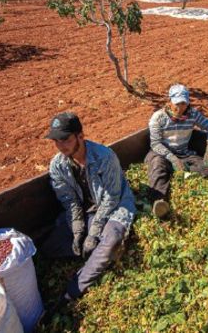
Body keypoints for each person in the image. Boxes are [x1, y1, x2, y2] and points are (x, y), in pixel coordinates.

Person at [39, 112, 136, 307]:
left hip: (114, 209)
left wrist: (93, 232)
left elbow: (111, 198)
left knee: (111, 239)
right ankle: (99, 255)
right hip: (87, 213)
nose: (61, 145)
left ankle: (73, 290)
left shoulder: (104, 157)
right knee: (48, 248)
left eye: (65, 139)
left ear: (80, 136)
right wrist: (78, 229)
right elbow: (69, 200)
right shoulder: (58, 165)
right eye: (56, 141)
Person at [145, 84, 208, 219]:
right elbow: (155, 143)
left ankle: (180, 174)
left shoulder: (193, 114)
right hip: (162, 154)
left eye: (184, 104)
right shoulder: (158, 117)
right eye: (177, 104)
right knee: (157, 168)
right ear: (170, 101)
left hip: (184, 153)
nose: (180, 108)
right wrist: (172, 158)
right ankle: (159, 202)